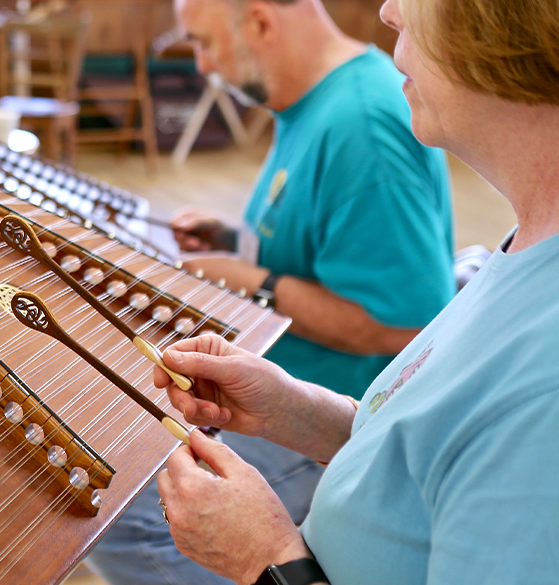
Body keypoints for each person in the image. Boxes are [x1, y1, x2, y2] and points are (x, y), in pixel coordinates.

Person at [154, 0, 559, 582]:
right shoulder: (530, 242)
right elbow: (429, 445)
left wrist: (266, 561)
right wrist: (297, 411)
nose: (391, 11)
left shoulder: (544, 387)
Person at [85, 0, 454, 583]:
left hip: (341, 412)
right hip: (280, 382)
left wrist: (255, 283)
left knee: (117, 513)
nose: (203, 66)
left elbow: (403, 322)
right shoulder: (316, 101)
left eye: (205, 43)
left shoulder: (362, 124)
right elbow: (329, 239)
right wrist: (236, 238)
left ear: (260, 21)